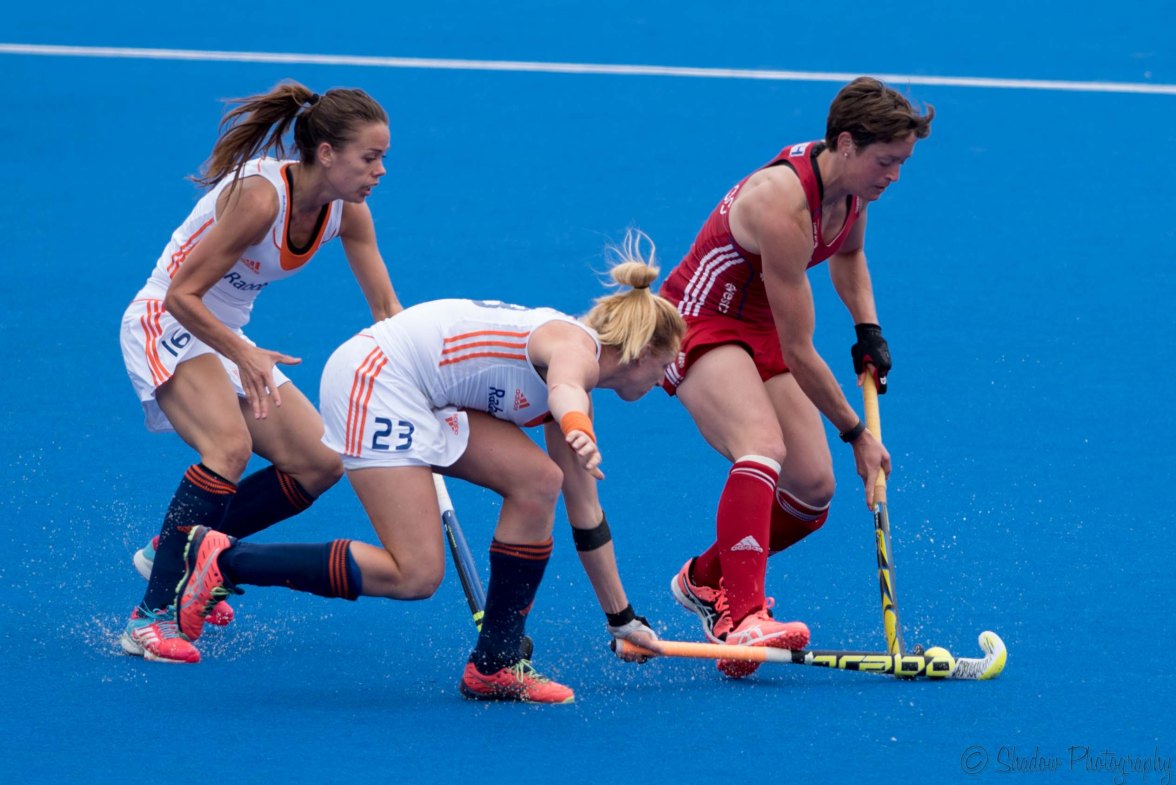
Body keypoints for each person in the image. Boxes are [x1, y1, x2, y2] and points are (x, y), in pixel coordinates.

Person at [167, 232, 686, 703]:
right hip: (377, 379)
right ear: (642, 352)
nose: (664, 380)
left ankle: (495, 662)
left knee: (539, 481)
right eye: (665, 365)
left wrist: (622, 621)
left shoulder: (576, 375)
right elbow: (566, 386)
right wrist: (576, 423)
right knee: (414, 574)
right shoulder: (576, 349)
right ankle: (226, 560)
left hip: (425, 393)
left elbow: (586, 516)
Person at [117, 81, 402, 664]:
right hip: (167, 318)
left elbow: (386, 311)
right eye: (370, 157)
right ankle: (150, 617)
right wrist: (243, 354)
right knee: (229, 447)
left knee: (319, 463)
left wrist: (423, 378)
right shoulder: (260, 198)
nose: (380, 171)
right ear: (327, 153)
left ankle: (176, 550)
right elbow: (180, 296)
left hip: (223, 333)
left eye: (383, 158)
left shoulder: (348, 212)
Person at [659, 77, 934, 677]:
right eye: (886, 161)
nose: (894, 176)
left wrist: (868, 330)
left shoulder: (853, 189)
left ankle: (705, 580)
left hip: (758, 323)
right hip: (698, 321)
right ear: (846, 143)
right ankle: (744, 615)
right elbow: (800, 351)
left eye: (902, 163)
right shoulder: (784, 205)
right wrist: (857, 433)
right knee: (762, 447)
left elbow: (849, 255)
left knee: (812, 489)